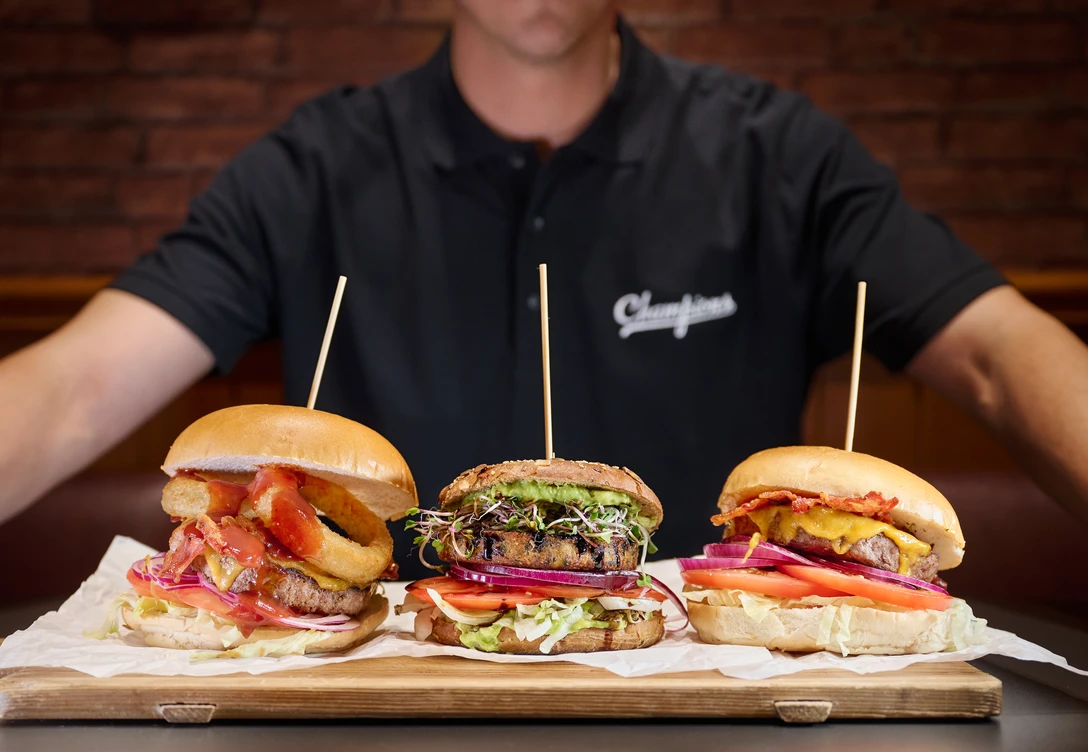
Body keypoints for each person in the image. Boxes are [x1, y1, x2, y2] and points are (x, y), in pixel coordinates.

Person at [3, 1, 1088, 569]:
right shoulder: (308, 171)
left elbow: (999, 356)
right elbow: (73, 392)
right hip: (377, 733)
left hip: (729, 731)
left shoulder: (782, 158)